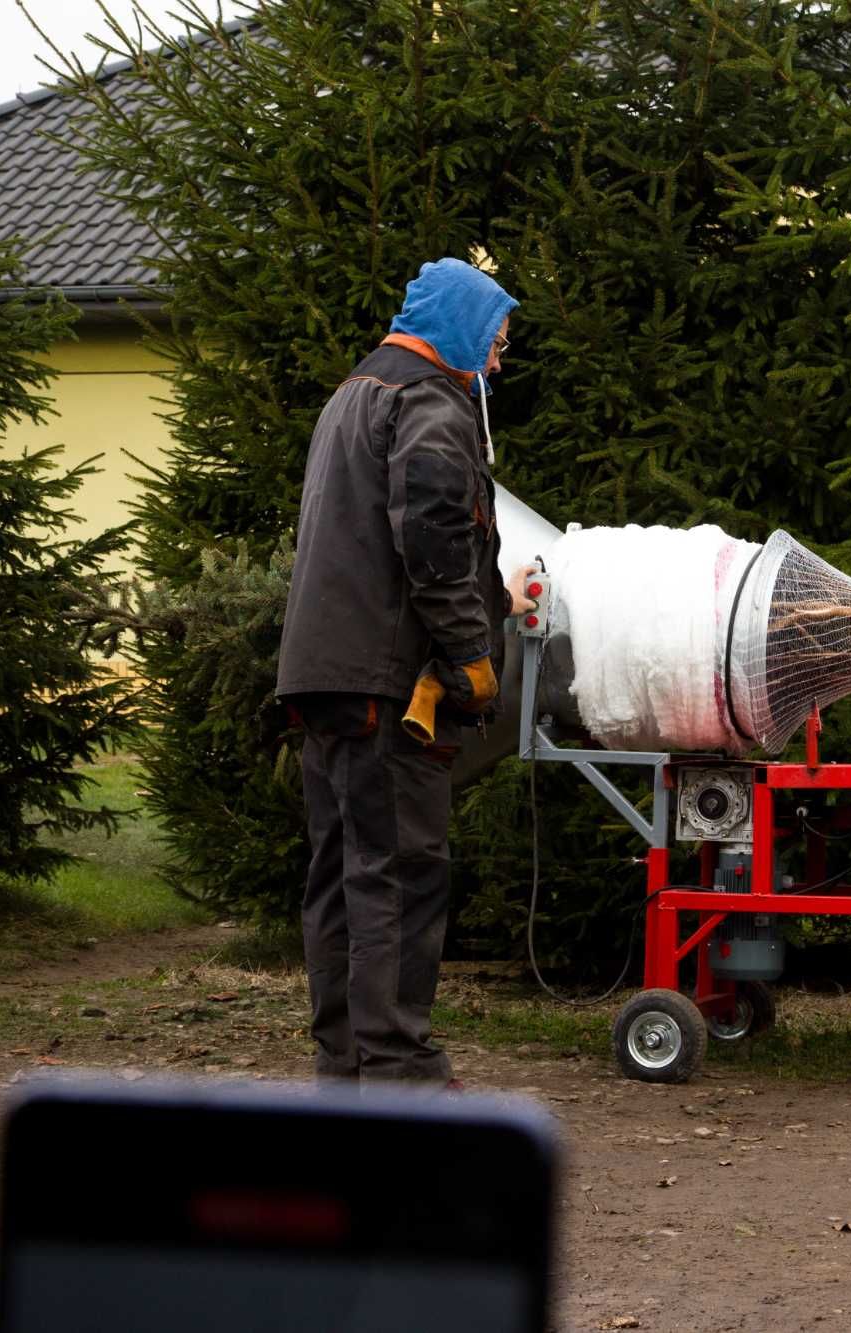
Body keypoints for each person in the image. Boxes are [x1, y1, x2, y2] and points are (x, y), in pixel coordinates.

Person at [276, 257, 538, 1084]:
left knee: (341, 875)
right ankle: (397, 1074)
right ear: (460, 327)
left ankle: (346, 1066)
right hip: (390, 690)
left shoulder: (354, 394)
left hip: (326, 677)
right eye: (494, 339)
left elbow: (376, 541)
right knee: (398, 874)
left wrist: (498, 593)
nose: (496, 361)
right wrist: (471, 655)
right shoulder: (429, 400)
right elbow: (430, 535)